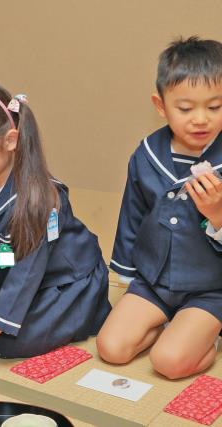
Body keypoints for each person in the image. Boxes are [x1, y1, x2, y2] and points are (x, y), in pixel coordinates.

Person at [0, 75, 111, 368]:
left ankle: (91, 309)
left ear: (10, 140)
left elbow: (28, 273)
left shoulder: (42, 197)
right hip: (6, 282)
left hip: (61, 282)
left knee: (3, 340)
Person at [97, 37, 222, 379]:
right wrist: (125, 273)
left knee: (169, 363)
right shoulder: (147, 154)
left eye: (215, 107)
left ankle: (205, 340)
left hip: (210, 286)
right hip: (153, 281)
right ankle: (174, 327)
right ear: (161, 105)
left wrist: (217, 215)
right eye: (185, 108)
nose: (201, 119)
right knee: (112, 349)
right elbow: (132, 216)